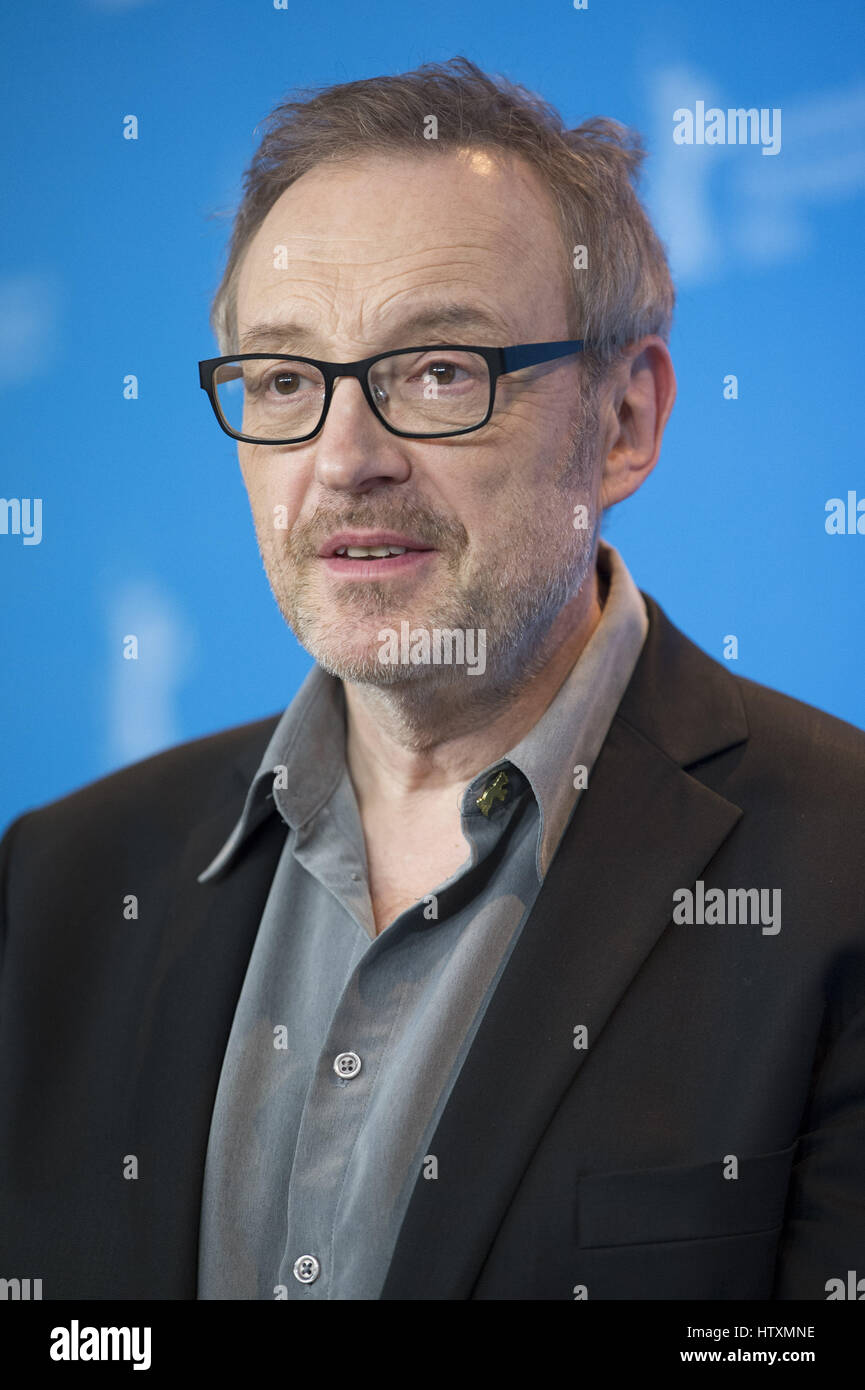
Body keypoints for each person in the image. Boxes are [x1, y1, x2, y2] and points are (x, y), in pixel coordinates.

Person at [1, 56, 863, 1302]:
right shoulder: (62, 883)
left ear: (623, 422)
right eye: (288, 381)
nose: (345, 460)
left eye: (440, 372)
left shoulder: (836, 872)